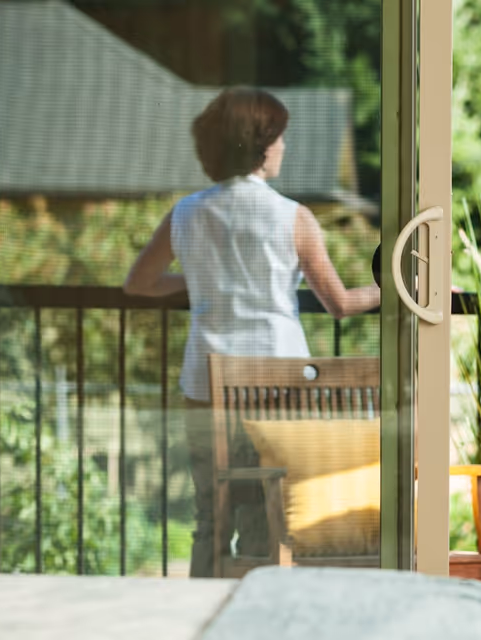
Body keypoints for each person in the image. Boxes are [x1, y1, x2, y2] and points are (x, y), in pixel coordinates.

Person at [123, 87, 379, 577]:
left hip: (206, 385)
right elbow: (341, 304)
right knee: (273, 514)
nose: (284, 146)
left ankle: (198, 617)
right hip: (278, 386)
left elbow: (140, 282)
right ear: (260, 144)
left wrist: (206, 282)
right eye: (279, 138)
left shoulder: (187, 213)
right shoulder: (293, 218)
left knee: (209, 519)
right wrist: (395, 291)